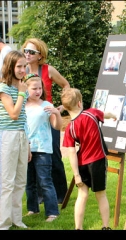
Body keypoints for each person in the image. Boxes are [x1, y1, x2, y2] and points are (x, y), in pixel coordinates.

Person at [22, 38, 70, 203]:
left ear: (40, 55)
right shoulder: (23, 70)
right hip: (30, 120)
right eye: (25, 51)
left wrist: (61, 108)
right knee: (32, 157)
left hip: (49, 119)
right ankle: (40, 197)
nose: (27, 54)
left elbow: (66, 85)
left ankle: (61, 195)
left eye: (31, 52)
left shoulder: (48, 70)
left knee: (54, 155)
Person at [61, 88, 117, 230]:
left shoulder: (70, 128)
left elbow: (72, 152)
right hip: (97, 161)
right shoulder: (91, 113)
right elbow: (106, 114)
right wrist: (113, 116)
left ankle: (78, 228)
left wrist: (76, 175)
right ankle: (105, 226)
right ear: (80, 103)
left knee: (82, 195)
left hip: (81, 164)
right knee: (101, 195)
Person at [0, 50, 31, 230]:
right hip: (7, 136)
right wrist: (20, 93)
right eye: (19, 66)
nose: (22, 70)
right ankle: (3, 223)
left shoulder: (22, 88)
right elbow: (13, 114)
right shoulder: (4, 88)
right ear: (10, 66)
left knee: (20, 180)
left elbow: (23, 118)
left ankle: (16, 219)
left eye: (24, 66)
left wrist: (27, 144)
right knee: (7, 181)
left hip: (21, 135)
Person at [24, 73, 61, 222]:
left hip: (43, 149)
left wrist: (57, 113)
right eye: (34, 88)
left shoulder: (47, 106)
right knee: (29, 182)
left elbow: (57, 126)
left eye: (40, 88)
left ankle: (52, 212)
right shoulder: (22, 106)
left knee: (45, 181)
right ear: (26, 89)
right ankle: (33, 209)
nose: (38, 91)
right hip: (25, 148)